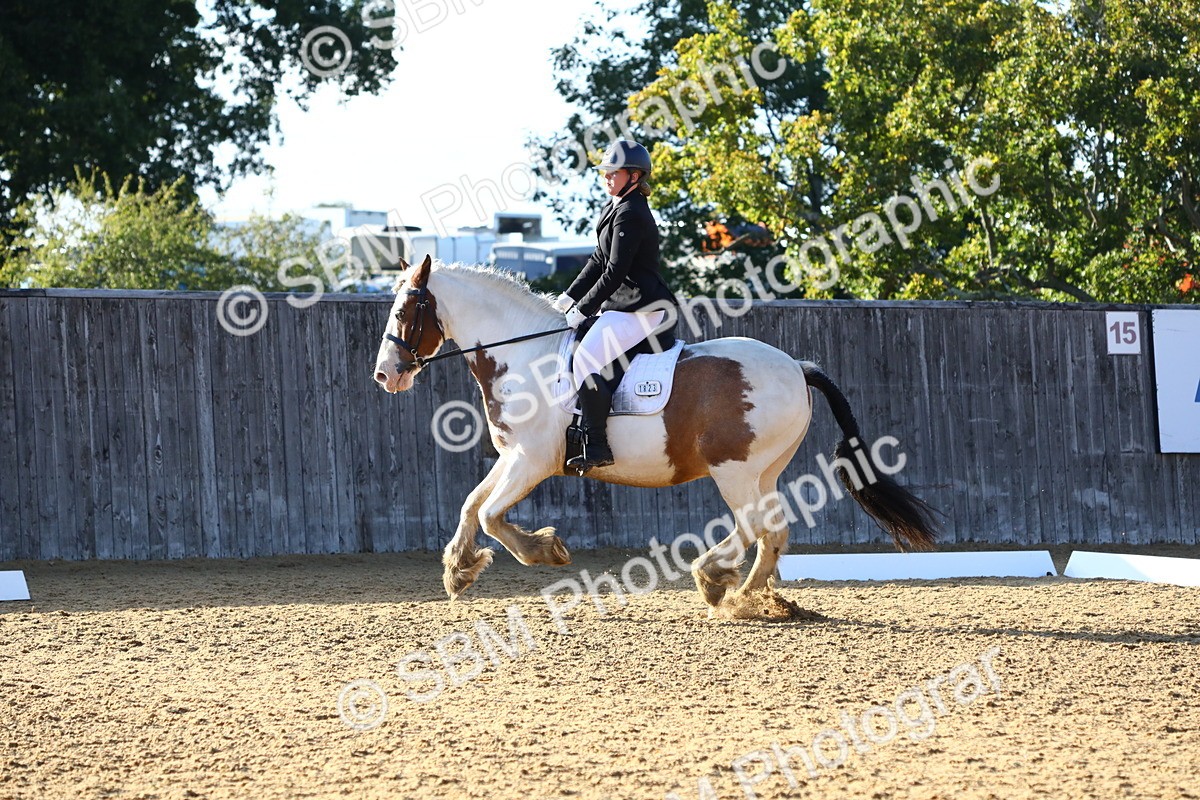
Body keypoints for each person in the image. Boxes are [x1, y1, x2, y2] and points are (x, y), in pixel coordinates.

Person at [552, 139, 679, 474]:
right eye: (605, 171)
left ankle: (597, 445)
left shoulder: (632, 213)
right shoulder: (616, 207)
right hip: (622, 304)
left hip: (641, 306)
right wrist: (568, 296)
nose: (606, 176)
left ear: (635, 175)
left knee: (585, 359)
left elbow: (614, 272)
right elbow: (598, 259)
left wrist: (582, 309)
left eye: (614, 171)